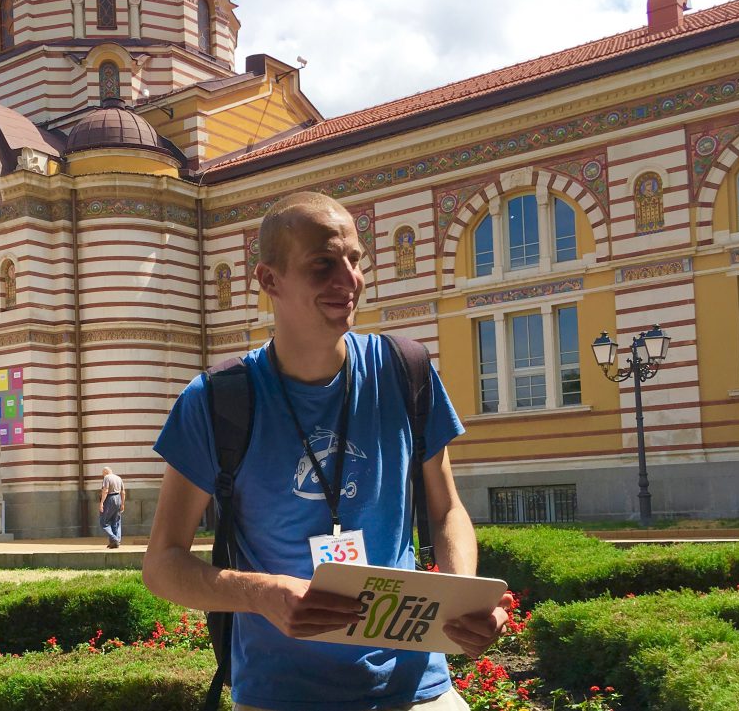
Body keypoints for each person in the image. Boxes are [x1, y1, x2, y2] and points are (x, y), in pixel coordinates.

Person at [144, 191, 511, 711]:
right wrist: (263, 594)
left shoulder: (404, 371)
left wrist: (462, 596)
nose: (349, 280)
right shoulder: (215, 400)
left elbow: (446, 508)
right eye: (323, 265)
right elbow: (162, 564)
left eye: (354, 260)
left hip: (417, 689)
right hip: (283, 695)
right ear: (270, 281)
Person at [99, 466, 125, 549]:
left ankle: (114, 538)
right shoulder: (118, 478)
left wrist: (101, 503)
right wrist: (122, 504)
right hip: (118, 498)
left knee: (103, 522)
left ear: (106, 472)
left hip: (110, 498)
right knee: (115, 521)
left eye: (103, 474)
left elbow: (106, 490)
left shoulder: (107, 477)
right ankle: (115, 542)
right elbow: (123, 492)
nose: (103, 476)